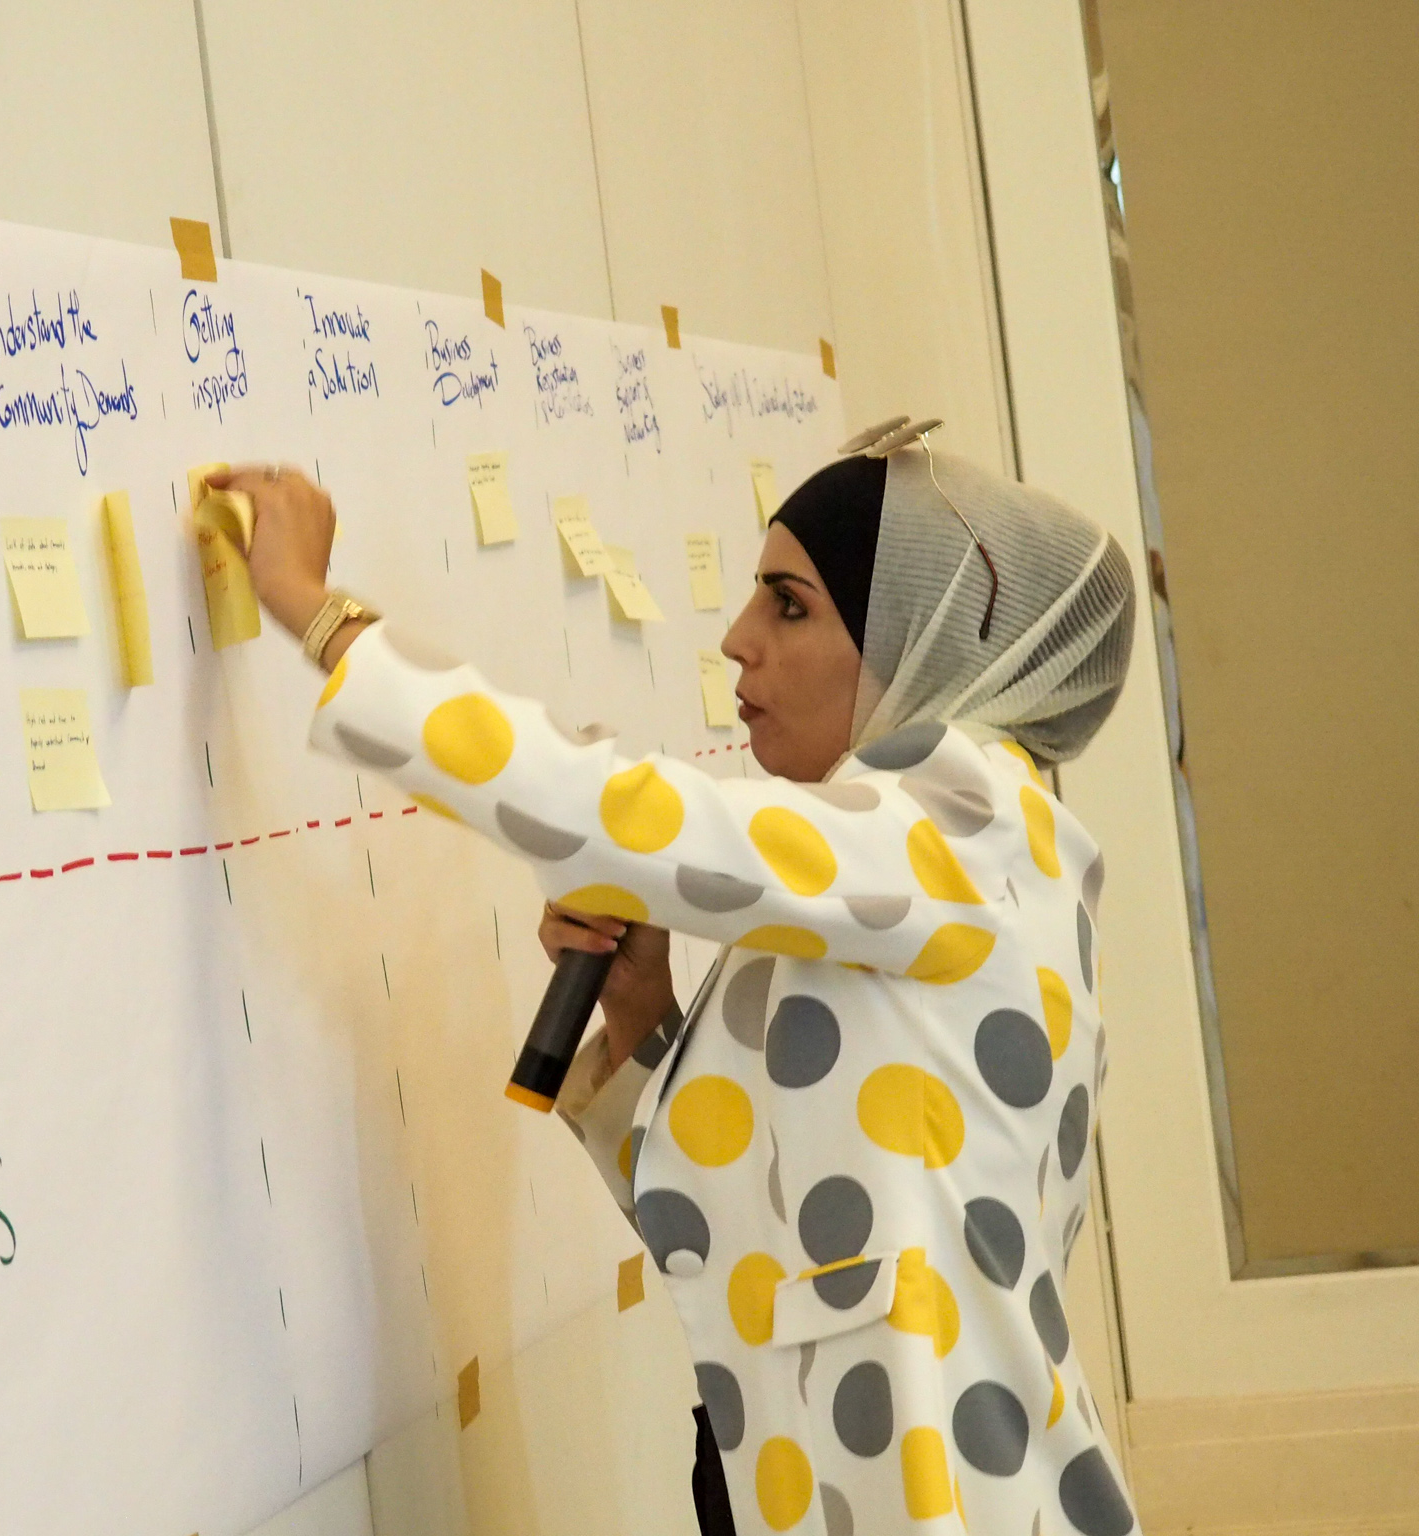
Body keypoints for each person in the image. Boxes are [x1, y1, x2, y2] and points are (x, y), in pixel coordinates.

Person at [207, 418, 1142, 1536]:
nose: (736, 640)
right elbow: (759, 1221)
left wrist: (321, 615)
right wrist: (645, 1021)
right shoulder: (901, 861)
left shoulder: (960, 830)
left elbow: (616, 811)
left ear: (917, 638)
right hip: (806, 1474)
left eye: (788, 605)